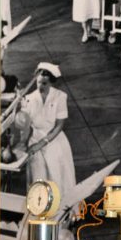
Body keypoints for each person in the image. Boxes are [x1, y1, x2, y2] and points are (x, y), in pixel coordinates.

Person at [21, 62, 76, 205]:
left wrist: (41, 143)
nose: (41, 86)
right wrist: (24, 144)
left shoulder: (60, 97)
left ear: (51, 82)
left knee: (58, 178)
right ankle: (41, 209)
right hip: (34, 142)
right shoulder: (28, 99)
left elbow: (59, 126)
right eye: (39, 82)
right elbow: (24, 125)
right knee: (38, 179)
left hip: (55, 141)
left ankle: (63, 209)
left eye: (44, 83)